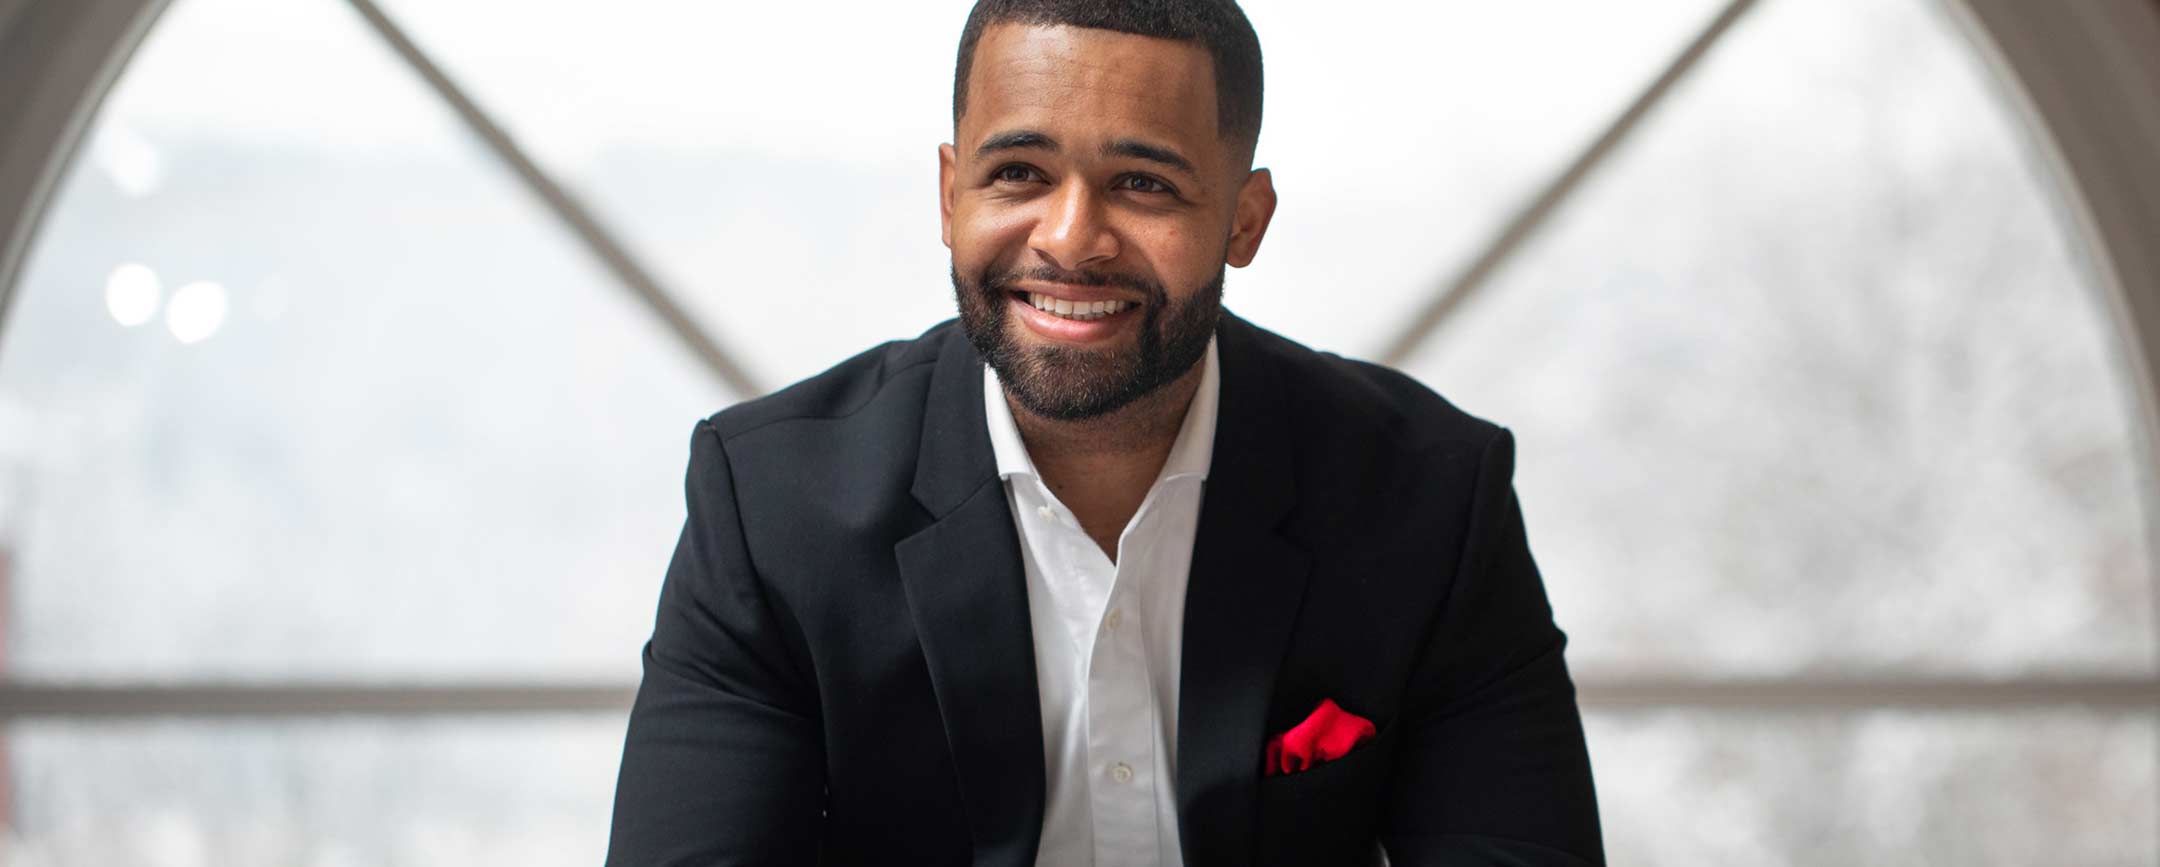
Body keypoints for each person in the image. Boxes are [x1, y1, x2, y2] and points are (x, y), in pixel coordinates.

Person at [605, 1, 1602, 864]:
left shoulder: (1429, 500)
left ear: (1244, 221)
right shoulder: (772, 507)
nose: (1071, 238)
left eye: (1144, 184)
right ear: (951, 194)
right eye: (1018, 173)